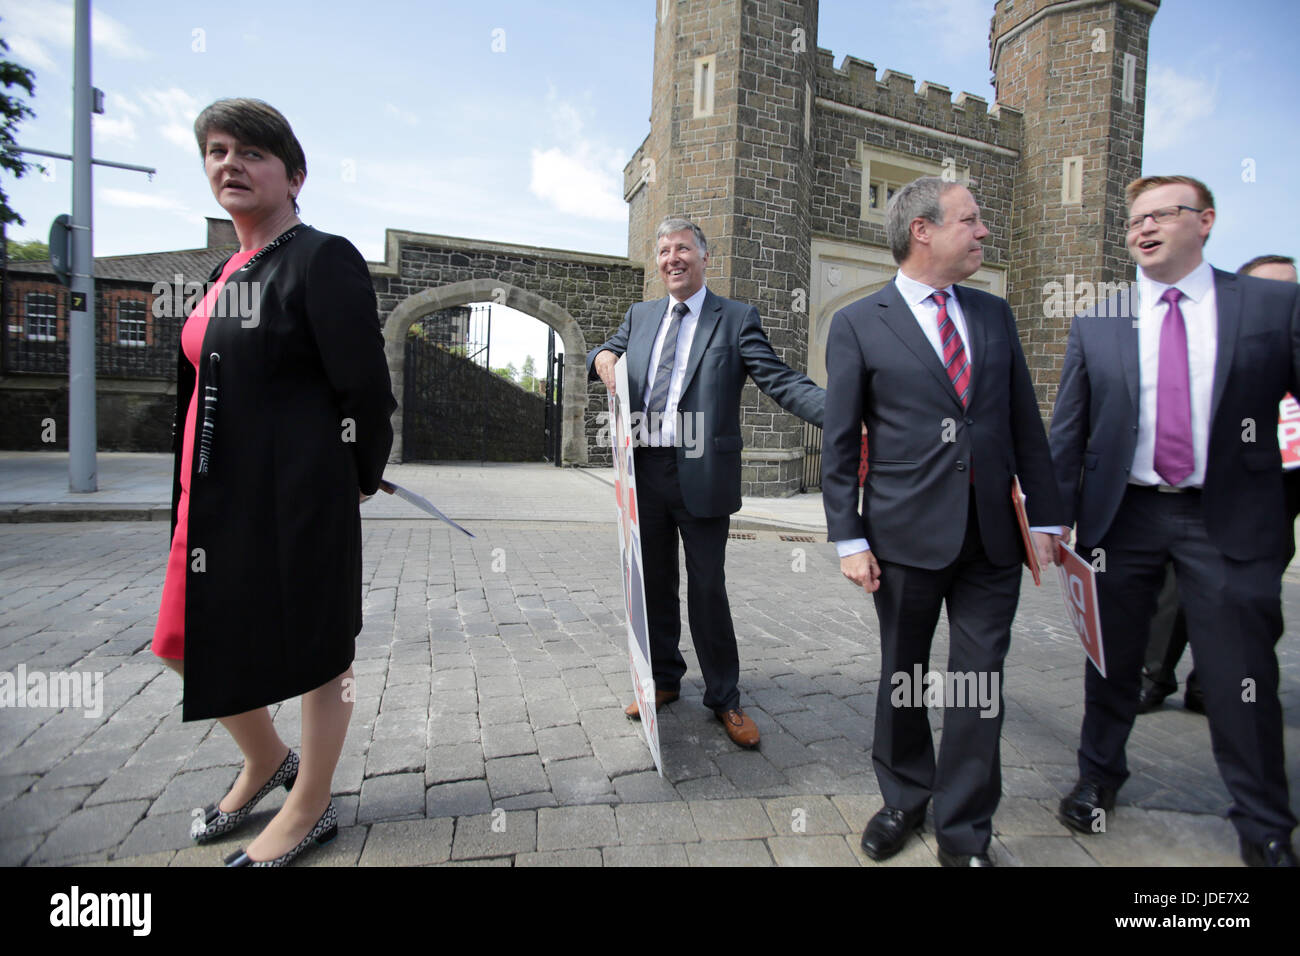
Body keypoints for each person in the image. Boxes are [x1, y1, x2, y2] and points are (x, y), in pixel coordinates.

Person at [151, 98, 396, 867]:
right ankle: (267, 760)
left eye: (252, 153)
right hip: (210, 495)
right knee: (178, 640)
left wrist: (356, 477)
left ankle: (311, 801)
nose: (231, 164)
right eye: (217, 152)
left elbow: (365, 390)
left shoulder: (321, 259)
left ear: (292, 175)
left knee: (322, 653)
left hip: (296, 495)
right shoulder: (222, 270)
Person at [1049, 175, 1299, 866]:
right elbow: (1069, 432)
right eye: (1134, 220)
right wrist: (1050, 520)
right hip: (1123, 517)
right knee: (1112, 662)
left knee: (1239, 672)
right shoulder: (1101, 319)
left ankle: (1264, 823)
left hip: (1229, 519)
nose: (1144, 228)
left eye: (1163, 213)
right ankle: (1098, 779)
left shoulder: (1273, 306)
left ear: (1206, 221)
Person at [821, 176, 1063, 867]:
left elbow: (1023, 422)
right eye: (970, 220)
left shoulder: (993, 315)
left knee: (978, 684)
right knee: (903, 674)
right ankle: (903, 798)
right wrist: (848, 537)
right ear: (921, 230)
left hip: (992, 541)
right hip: (901, 540)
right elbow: (840, 443)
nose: (984, 232)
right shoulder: (858, 323)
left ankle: (965, 835)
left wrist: (1045, 517)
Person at [588, 217, 824, 749]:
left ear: (704, 257)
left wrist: (841, 413)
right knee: (653, 584)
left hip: (702, 472)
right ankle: (664, 681)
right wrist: (602, 356)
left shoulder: (736, 319)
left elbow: (779, 379)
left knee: (708, 589)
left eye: (684, 249)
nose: (673, 258)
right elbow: (604, 350)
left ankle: (725, 697)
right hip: (643, 472)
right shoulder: (640, 315)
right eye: (665, 250)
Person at [1139, 254, 1298, 717]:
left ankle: (1214, 685)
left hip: (1281, 485)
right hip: (1213, 486)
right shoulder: (1213, 339)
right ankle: (1152, 675)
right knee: (1182, 589)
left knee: (1255, 594)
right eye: (1271, 289)